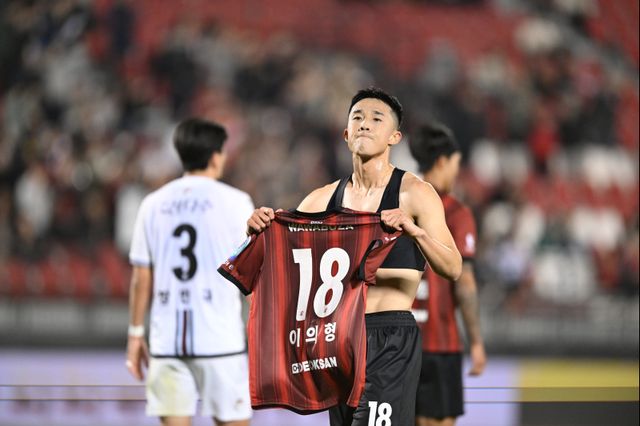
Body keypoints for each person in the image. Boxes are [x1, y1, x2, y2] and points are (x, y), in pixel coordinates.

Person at [247, 87, 462, 426]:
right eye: (357, 118)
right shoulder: (319, 201)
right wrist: (258, 230)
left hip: (387, 336)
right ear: (346, 134)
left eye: (376, 119)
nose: (365, 124)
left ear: (394, 137)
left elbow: (453, 267)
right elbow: (281, 271)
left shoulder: (414, 194)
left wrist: (415, 232)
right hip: (336, 340)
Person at [126, 118, 254, 426]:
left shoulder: (153, 203)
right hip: (221, 340)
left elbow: (141, 277)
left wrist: (135, 334)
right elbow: (252, 274)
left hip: (167, 341)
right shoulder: (237, 202)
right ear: (215, 156)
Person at [409, 121, 487, 426]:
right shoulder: (455, 213)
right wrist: (476, 341)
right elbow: (465, 284)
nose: (457, 171)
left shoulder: (398, 206)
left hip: (397, 345)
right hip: (438, 345)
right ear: (442, 161)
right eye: (456, 163)